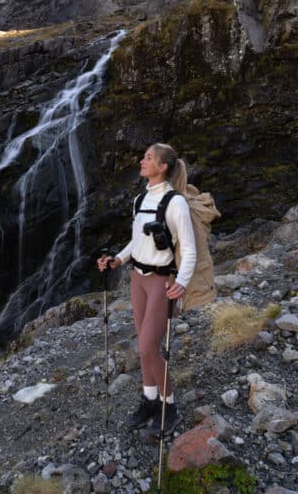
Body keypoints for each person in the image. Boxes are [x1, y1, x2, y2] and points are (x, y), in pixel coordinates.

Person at [98, 143, 196, 435]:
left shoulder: (175, 203)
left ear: (162, 167)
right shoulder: (140, 199)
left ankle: (170, 406)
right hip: (137, 279)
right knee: (144, 348)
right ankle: (150, 400)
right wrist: (118, 259)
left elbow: (189, 250)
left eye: (148, 158)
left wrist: (182, 283)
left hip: (160, 283)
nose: (142, 161)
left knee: (147, 348)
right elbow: (136, 242)